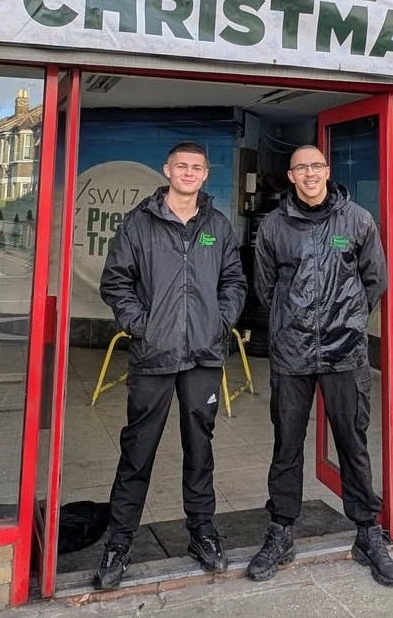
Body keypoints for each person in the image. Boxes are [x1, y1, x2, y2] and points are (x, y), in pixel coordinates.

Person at [247, 145, 393, 588]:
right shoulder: (274, 226)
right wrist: (290, 324)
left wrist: (348, 321)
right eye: (302, 168)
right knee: (287, 444)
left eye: (316, 166)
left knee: (352, 442)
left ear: (327, 171)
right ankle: (281, 531)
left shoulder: (357, 220)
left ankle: (367, 532)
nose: (310, 174)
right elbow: (265, 286)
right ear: (291, 176)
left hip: (344, 352)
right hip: (291, 352)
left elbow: (375, 279)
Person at [95, 142, 247, 591]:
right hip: (154, 356)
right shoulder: (139, 223)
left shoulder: (217, 226)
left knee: (200, 448)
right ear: (167, 170)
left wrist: (219, 322)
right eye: (181, 166)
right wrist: (141, 326)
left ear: (205, 174)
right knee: (137, 449)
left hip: (202, 356)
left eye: (197, 167)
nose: (188, 172)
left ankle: (202, 532)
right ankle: (119, 542)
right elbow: (115, 281)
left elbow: (234, 281)